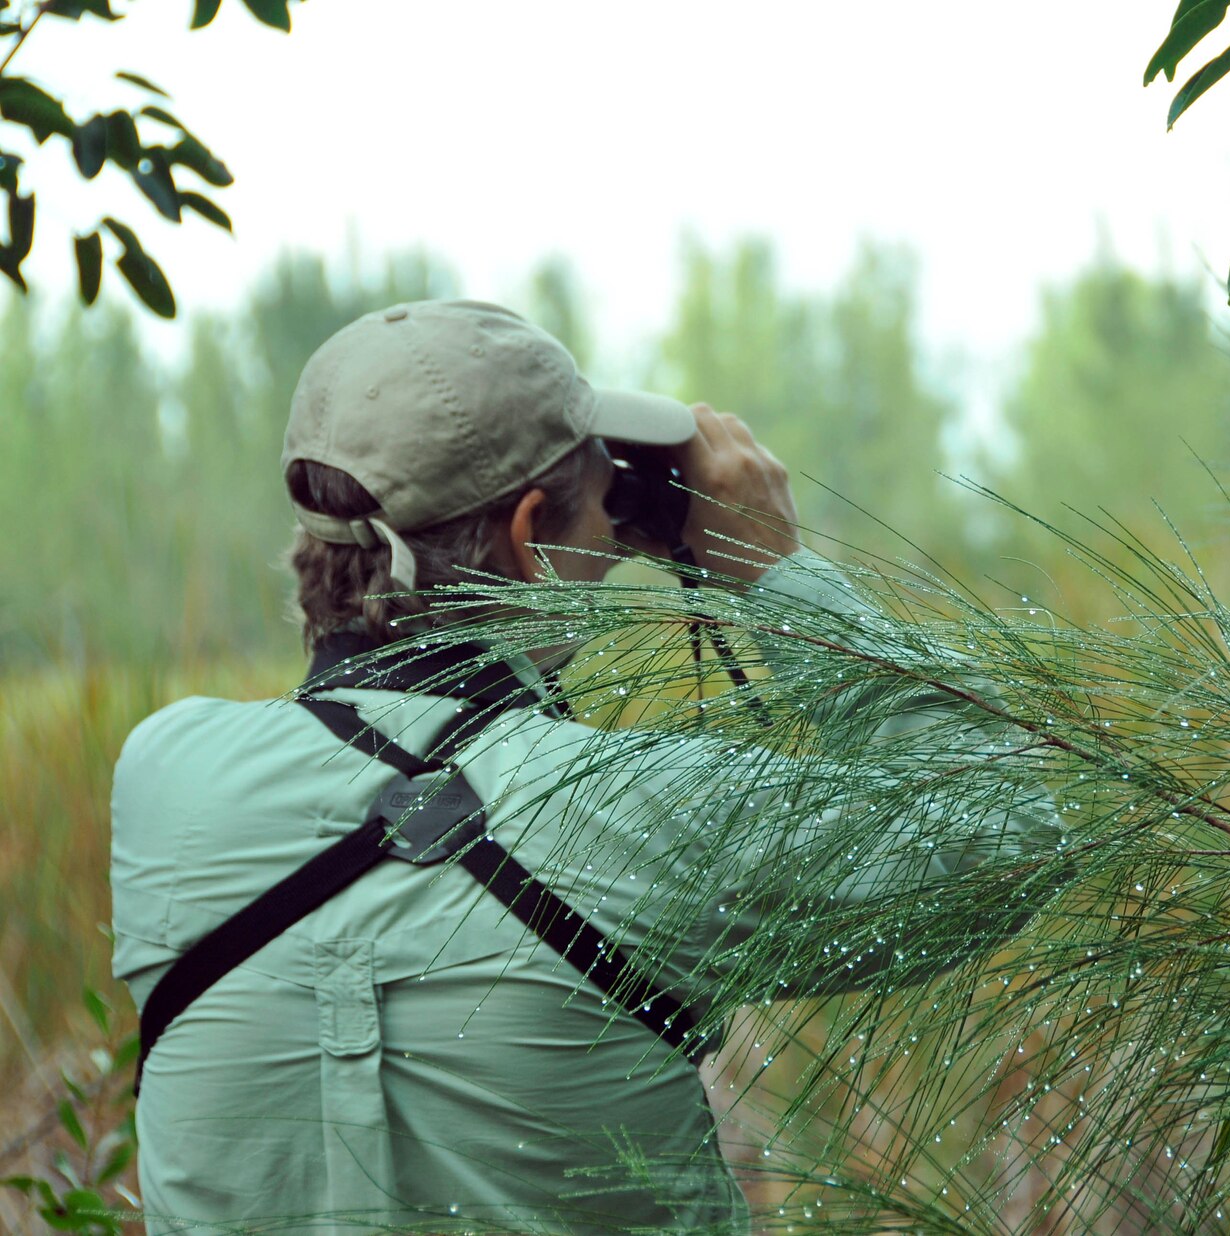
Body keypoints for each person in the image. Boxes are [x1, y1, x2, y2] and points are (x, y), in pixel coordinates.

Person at [109, 300, 1062, 1234]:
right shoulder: (634, 808)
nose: (619, 536)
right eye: (609, 510)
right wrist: (773, 573)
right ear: (527, 537)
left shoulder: (163, 776)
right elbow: (1012, 824)